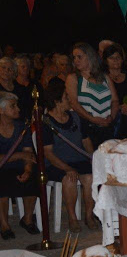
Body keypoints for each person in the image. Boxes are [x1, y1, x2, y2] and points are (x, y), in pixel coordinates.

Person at [41, 79, 96, 232]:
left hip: (79, 159)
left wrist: (93, 159)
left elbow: (86, 141)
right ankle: (72, 218)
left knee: (90, 177)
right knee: (70, 178)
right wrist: (67, 168)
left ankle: (89, 215)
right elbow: (48, 154)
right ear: (57, 101)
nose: (71, 100)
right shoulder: (46, 123)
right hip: (57, 163)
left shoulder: (76, 118)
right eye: (66, 97)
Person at [66, 43, 119, 149]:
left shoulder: (105, 77)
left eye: (79, 57)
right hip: (87, 129)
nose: (76, 60)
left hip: (107, 127)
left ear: (89, 56)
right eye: (74, 57)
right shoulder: (73, 78)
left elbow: (115, 100)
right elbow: (74, 103)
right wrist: (92, 119)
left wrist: (111, 117)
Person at [0, 92, 38, 239]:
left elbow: (28, 152)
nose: (18, 109)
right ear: (1, 110)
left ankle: (27, 218)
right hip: (2, 169)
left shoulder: (22, 127)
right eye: (13, 106)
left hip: (19, 166)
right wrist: (20, 155)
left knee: (33, 177)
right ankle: (4, 225)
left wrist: (27, 170)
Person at [103, 44, 127, 139]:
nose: (115, 60)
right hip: (112, 122)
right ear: (106, 60)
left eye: (118, 57)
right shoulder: (102, 80)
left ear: (122, 59)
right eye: (111, 58)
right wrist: (118, 108)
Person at [14, 55, 41, 123]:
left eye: (27, 67)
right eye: (23, 67)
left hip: (35, 119)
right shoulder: (12, 85)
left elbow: (41, 100)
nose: (26, 69)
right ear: (16, 68)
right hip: (18, 119)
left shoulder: (35, 84)